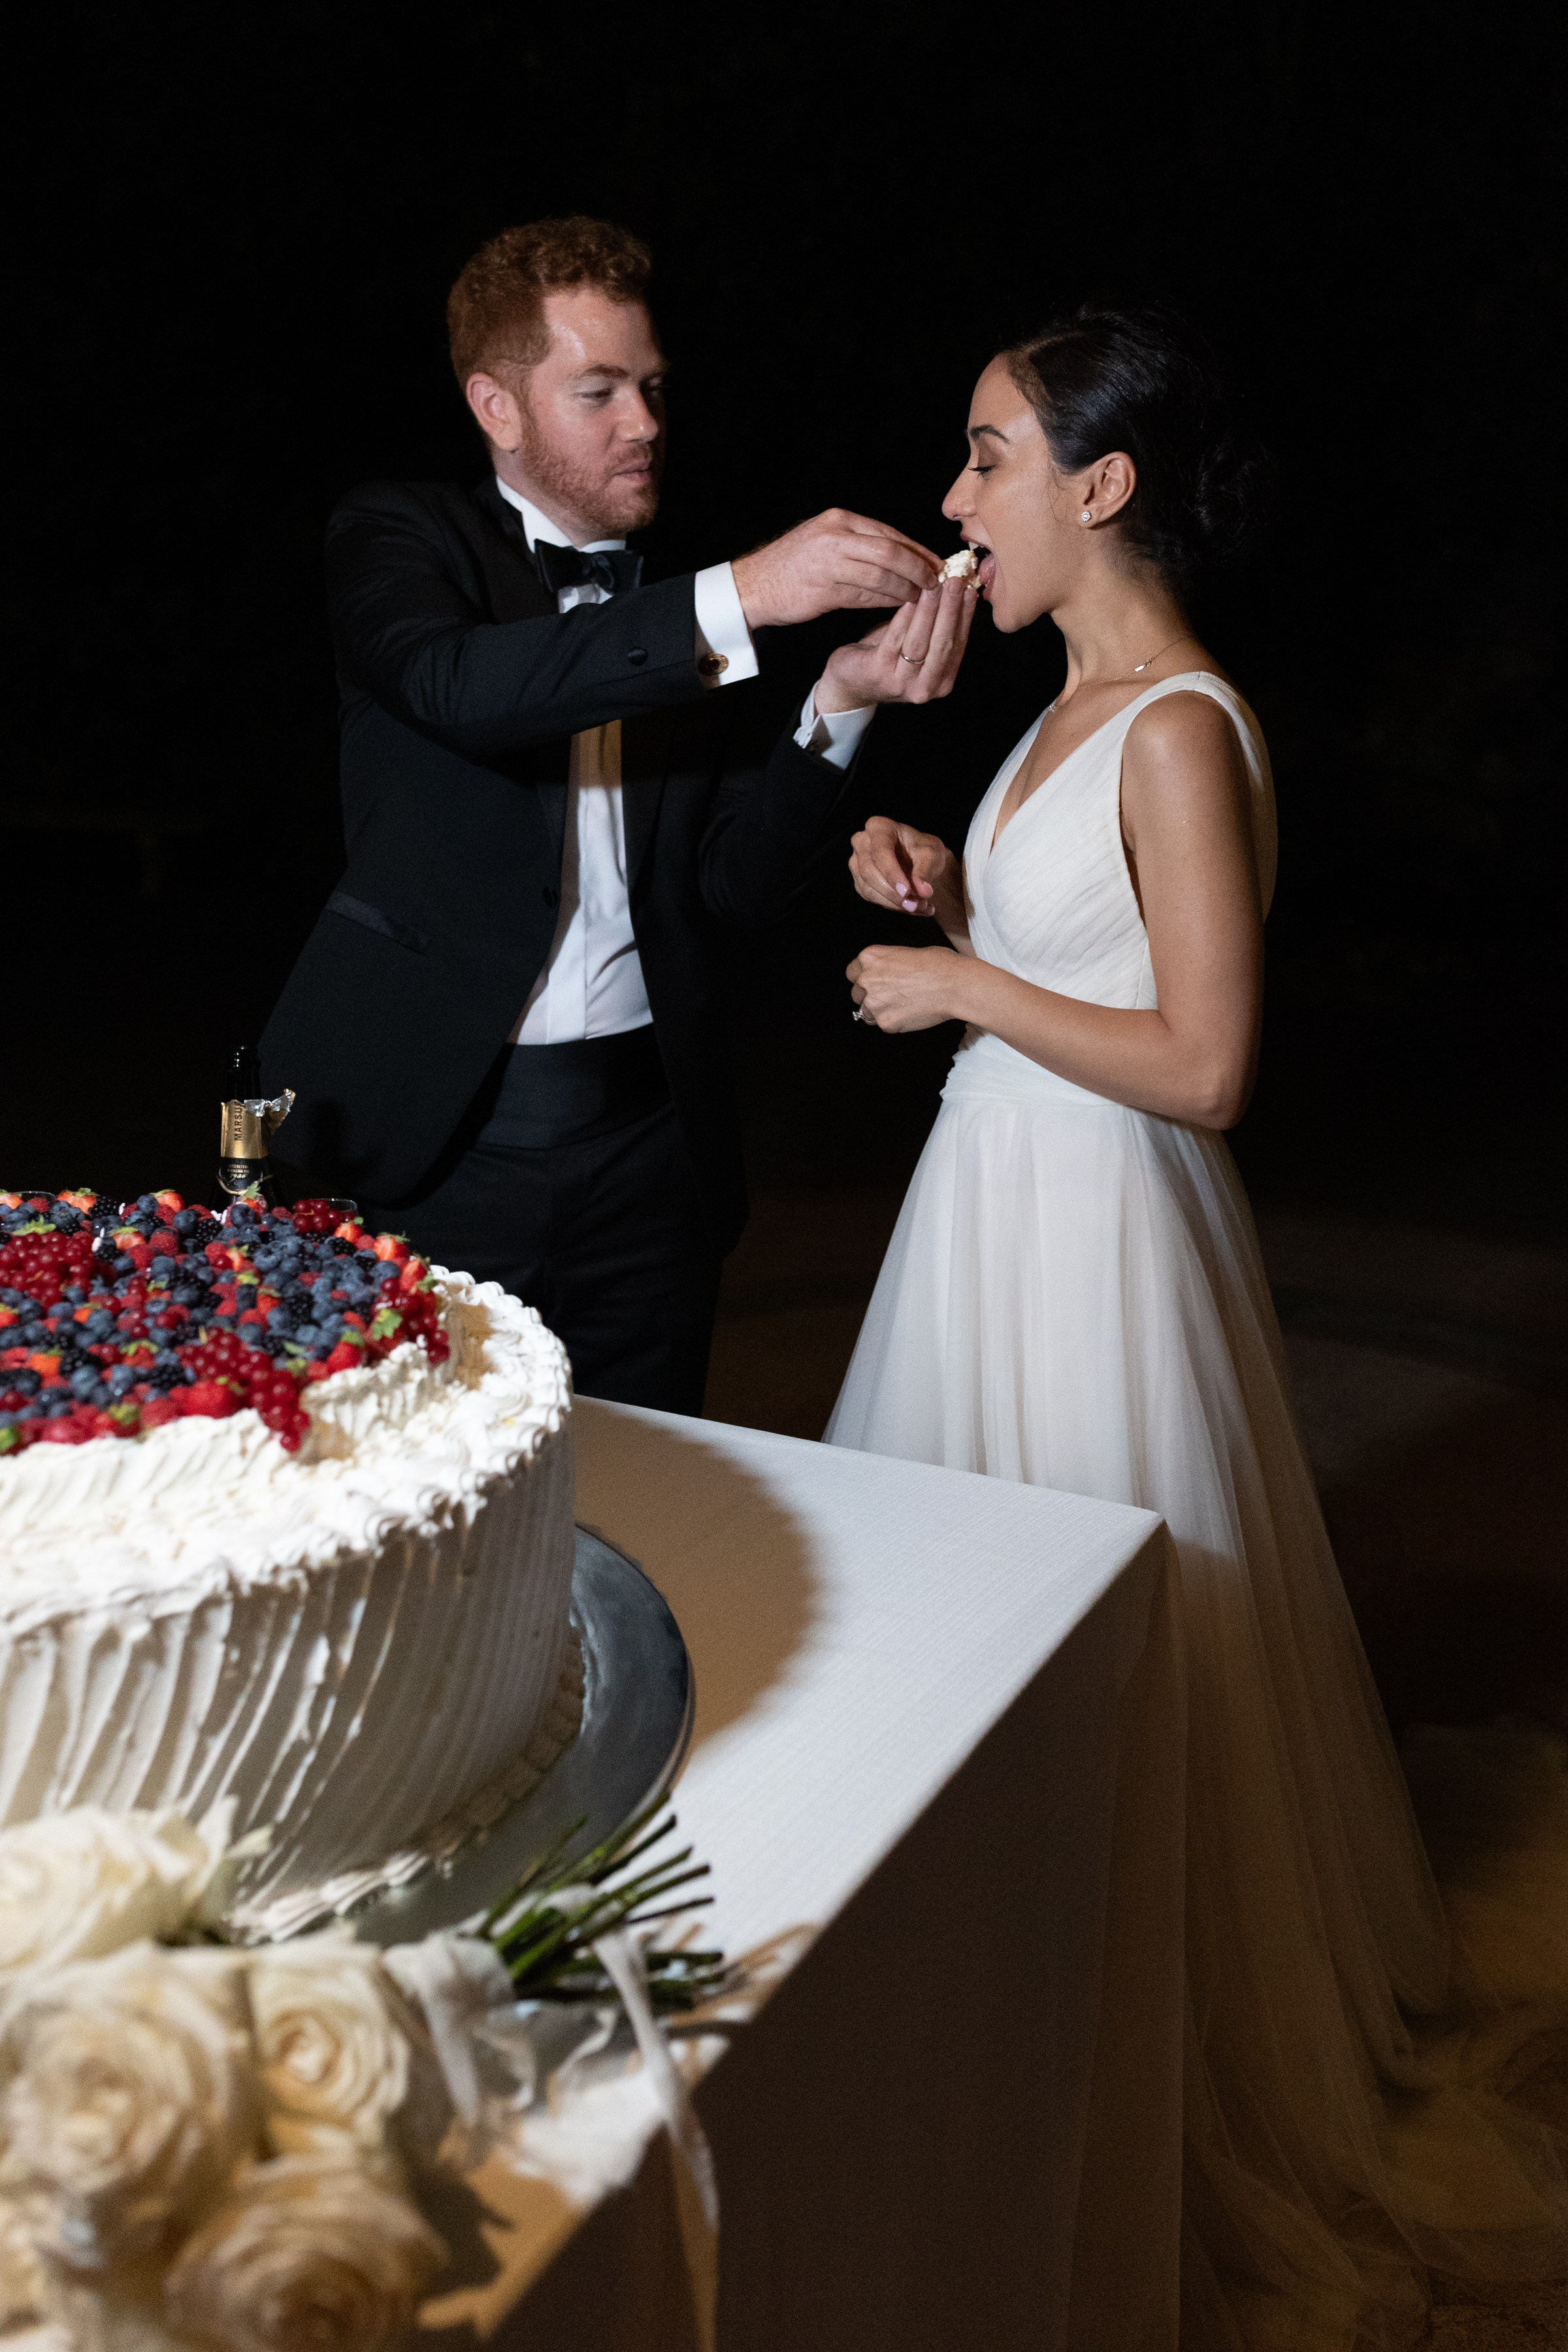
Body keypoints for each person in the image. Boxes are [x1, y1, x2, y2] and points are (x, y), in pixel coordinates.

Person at [826, 305, 1568, 2346]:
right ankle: (992, 2010)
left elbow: (1210, 1064)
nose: (957, 497)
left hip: (1097, 1240)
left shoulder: (1175, 724)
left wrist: (965, 991)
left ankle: (1139, 2069)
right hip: (996, 1208)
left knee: (1111, 1654)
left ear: (1105, 481)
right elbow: (1097, 961)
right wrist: (958, 904)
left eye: (989, 456)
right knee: (971, 1642)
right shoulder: (1066, 706)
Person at [260, 216, 977, 1409]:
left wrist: (842, 699)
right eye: (597, 392)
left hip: (654, 1154)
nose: (643, 422)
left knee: (651, 1485)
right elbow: (456, 686)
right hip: (439, 1145)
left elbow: (736, 884)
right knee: (430, 1481)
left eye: (651, 387)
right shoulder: (398, 535)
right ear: (497, 407)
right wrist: (745, 594)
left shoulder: (684, 602)